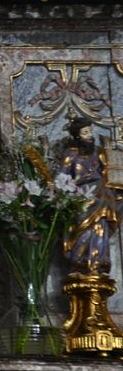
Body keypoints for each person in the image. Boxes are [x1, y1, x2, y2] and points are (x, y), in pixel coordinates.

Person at [58, 117, 119, 274]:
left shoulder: (99, 151)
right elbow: (61, 177)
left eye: (90, 131)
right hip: (81, 196)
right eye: (85, 132)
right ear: (77, 135)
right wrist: (73, 183)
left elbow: (107, 172)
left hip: (101, 194)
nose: (89, 135)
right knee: (83, 228)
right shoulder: (71, 154)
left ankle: (99, 262)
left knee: (101, 225)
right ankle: (80, 261)